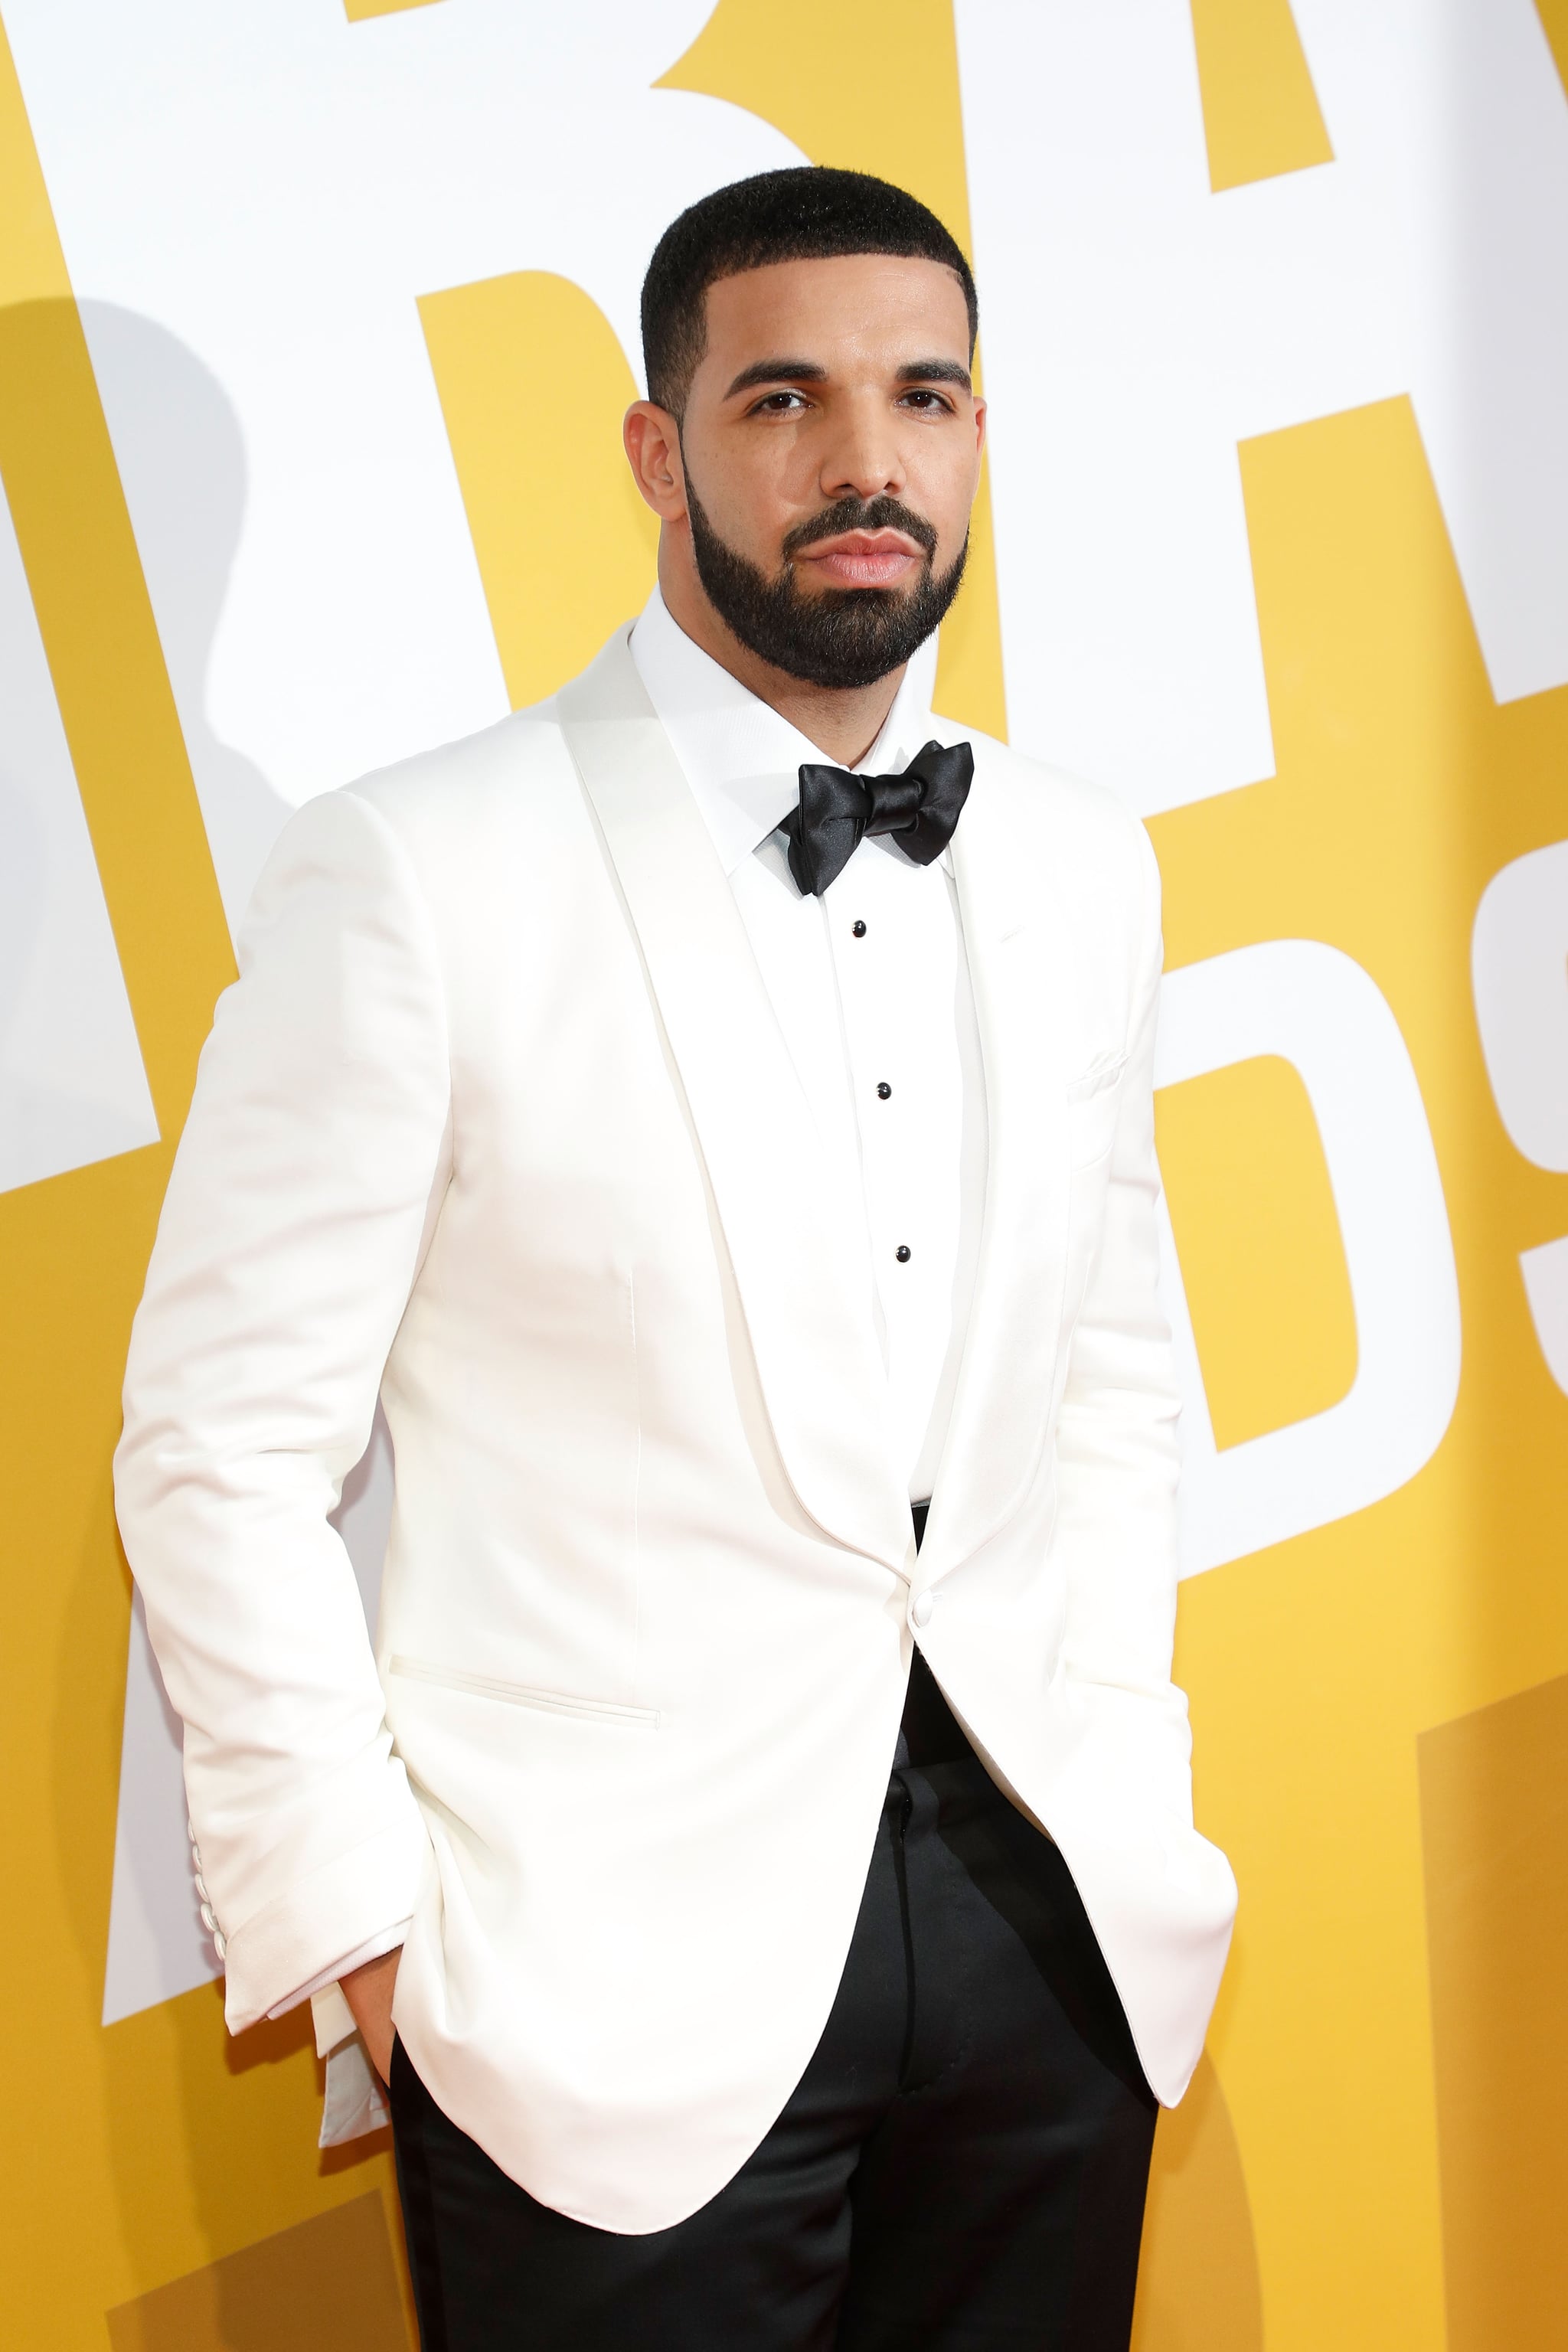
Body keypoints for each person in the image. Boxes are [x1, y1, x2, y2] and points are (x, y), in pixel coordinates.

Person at [116, 165, 1236, 2350]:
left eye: (925, 395)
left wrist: (1122, 1741)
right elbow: (219, 1448)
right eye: (785, 400)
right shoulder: (421, 872)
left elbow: (1111, 1361)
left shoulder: (1089, 866)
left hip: (1043, 1925)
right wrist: (362, 1933)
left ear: (980, 432)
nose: (865, 464)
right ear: (662, 449)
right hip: (596, 1988)